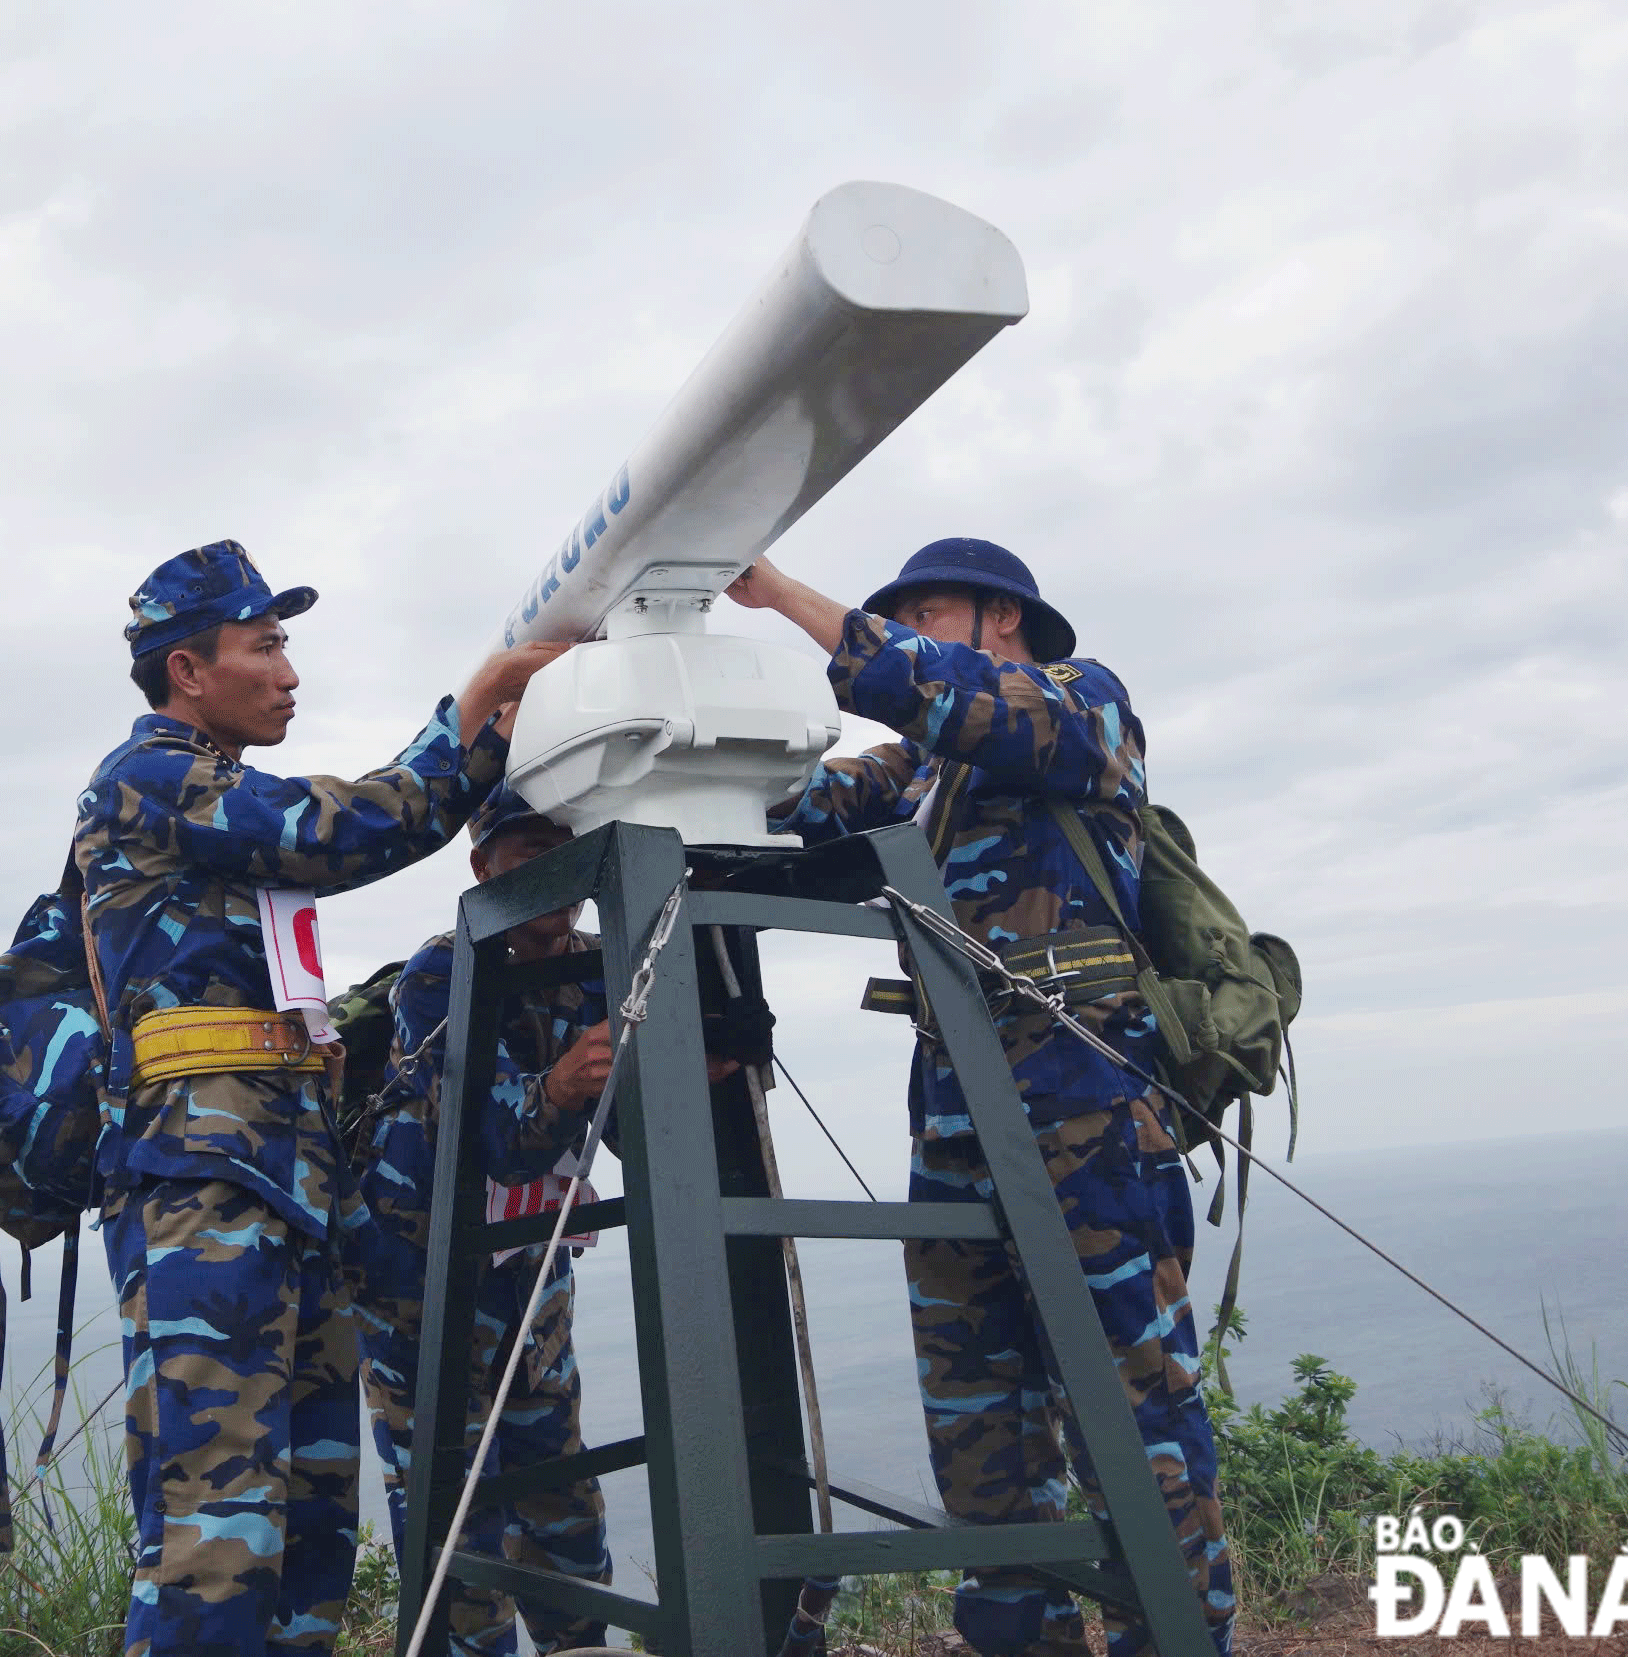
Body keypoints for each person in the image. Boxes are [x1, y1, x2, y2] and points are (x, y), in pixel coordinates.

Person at [728, 538, 1233, 1657]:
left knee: (1131, 1405)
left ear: (1002, 620)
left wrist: (781, 595)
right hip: (953, 1092)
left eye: (932, 607)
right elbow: (777, 807)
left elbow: (936, 691)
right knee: (978, 1418)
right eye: (897, 610)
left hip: (1084, 1085)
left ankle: (1176, 1640)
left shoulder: (1079, 705)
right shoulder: (912, 773)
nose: (908, 623)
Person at [75, 539, 566, 1657]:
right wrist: (475, 703)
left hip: (282, 1179)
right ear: (188, 670)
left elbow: (355, 829)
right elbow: (339, 830)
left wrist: (481, 747)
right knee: (216, 1524)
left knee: (305, 1518)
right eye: (266, 645)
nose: (289, 671)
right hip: (203, 1187)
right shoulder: (149, 774)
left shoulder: (214, 797)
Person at [345, 791, 616, 1657]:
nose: (554, 874)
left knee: (567, 1520)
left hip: (532, 1293)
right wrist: (566, 1084)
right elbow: (501, 1137)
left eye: (569, 850)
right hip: (423, 1299)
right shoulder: (441, 975)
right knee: (457, 1545)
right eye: (530, 849)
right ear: (482, 867)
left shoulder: (601, 966)